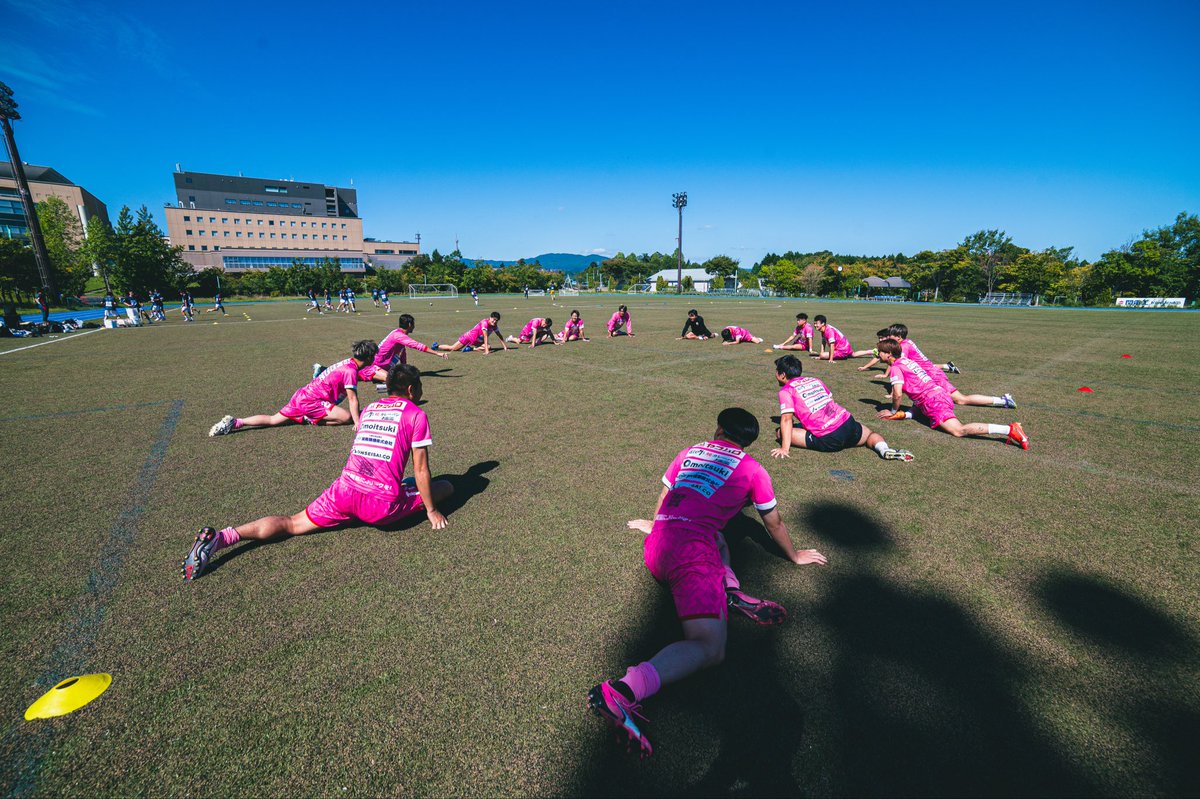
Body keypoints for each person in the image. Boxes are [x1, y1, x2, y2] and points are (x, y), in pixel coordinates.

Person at [588, 408, 828, 757]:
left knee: (718, 536)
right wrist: (794, 555)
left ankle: (729, 590)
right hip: (691, 558)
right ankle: (623, 691)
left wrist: (655, 526)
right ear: (749, 441)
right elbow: (773, 523)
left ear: (718, 429)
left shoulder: (691, 451)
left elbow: (667, 493)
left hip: (658, 547)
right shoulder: (753, 469)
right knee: (709, 648)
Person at [184, 364, 453, 581]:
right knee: (446, 487)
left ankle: (223, 537)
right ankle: (417, 502)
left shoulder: (370, 409)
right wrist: (431, 511)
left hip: (345, 490)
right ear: (410, 389)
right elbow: (420, 468)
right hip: (381, 505)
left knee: (291, 523)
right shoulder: (416, 414)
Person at [874, 339, 1029, 449]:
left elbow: (897, 394)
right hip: (940, 395)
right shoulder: (908, 362)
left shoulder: (895, 368)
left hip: (933, 401)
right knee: (933, 411)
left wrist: (893, 410)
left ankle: (1009, 430)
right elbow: (918, 397)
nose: (878, 354)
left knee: (958, 430)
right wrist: (905, 414)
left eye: (880, 351)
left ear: (888, 354)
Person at [208, 340, 377, 437]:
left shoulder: (348, 363)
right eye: (374, 356)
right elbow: (353, 398)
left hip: (302, 396)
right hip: (313, 401)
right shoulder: (350, 370)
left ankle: (237, 422)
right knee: (346, 417)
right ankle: (311, 418)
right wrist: (357, 422)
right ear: (369, 357)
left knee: (274, 420)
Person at [770, 355, 913, 462]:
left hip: (830, 437)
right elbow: (830, 401)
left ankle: (813, 435)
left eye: (777, 371)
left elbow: (787, 420)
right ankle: (884, 449)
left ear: (782, 375)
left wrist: (784, 448)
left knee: (780, 433)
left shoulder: (786, 391)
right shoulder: (815, 380)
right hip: (848, 423)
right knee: (869, 435)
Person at [873, 325, 1010, 408]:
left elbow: (899, 366)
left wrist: (894, 392)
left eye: (890, 335)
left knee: (961, 400)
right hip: (930, 373)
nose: (887, 338)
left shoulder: (904, 347)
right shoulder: (907, 342)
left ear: (898, 336)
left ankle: (1002, 400)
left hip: (932, 376)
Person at [357, 313, 448, 389]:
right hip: (372, 367)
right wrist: (437, 353)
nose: (414, 326)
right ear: (409, 325)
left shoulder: (398, 333)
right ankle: (383, 385)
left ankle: (381, 379)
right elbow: (417, 345)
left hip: (382, 365)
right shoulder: (398, 335)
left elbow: (402, 351)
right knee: (398, 382)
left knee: (401, 377)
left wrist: (404, 367)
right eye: (413, 324)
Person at [431, 312, 508, 354]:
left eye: (496, 320)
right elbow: (485, 336)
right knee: (453, 348)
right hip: (468, 337)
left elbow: (499, 335)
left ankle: (471, 349)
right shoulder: (485, 323)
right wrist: (487, 351)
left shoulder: (494, 325)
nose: (494, 321)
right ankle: (436, 346)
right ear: (490, 318)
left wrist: (505, 347)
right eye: (493, 319)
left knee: (488, 346)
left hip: (476, 341)